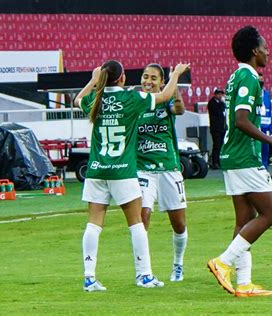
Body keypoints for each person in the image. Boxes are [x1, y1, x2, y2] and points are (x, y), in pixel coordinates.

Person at [74, 60, 189, 292]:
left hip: (96, 169)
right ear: (123, 78)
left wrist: (93, 81)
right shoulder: (131, 99)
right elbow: (166, 97)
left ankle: (89, 278)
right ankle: (144, 275)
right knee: (137, 223)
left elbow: (77, 100)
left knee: (93, 225)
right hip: (123, 171)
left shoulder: (96, 100)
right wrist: (176, 73)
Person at [207, 26, 272, 297]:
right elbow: (241, 120)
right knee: (270, 213)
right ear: (254, 51)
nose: (268, 50)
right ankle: (222, 262)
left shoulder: (236, 76)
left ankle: (243, 283)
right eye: (265, 46)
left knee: (245, 219)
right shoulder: (248, 77)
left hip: (231, 156)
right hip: (244, 157)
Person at [136, 63, 188, 282]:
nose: (148, 81)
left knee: (178, 224)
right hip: (142, 169)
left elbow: (180, 110)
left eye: (153, 78)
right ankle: (143, 270)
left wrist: (173, 84)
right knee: (143, 216)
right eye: (145, 76)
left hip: (168, 168)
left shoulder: (165, 102)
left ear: (161, 82)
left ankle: (178, 265)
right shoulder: (136, 103)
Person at [207, 88, 227, 169]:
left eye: (221, 94)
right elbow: (217, 112)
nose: (220, 96)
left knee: (221, 145)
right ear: (215, 94)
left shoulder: (221, 103)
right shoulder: (212, 103)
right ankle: (215, 162)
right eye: (218, 94)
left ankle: (220, 161)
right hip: (215, 128)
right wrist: (222, 103)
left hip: (222, 127)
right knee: (217, 145)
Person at [258, 73, 272, 170]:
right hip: (257, 126)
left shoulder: (267, 94)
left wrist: (271, 127)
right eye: (259, 80)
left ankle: (265, 170)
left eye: (262, 79)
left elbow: (270, 111)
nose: (261, 81)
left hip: (266, 125)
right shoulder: (253, 93)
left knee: (265, 149)